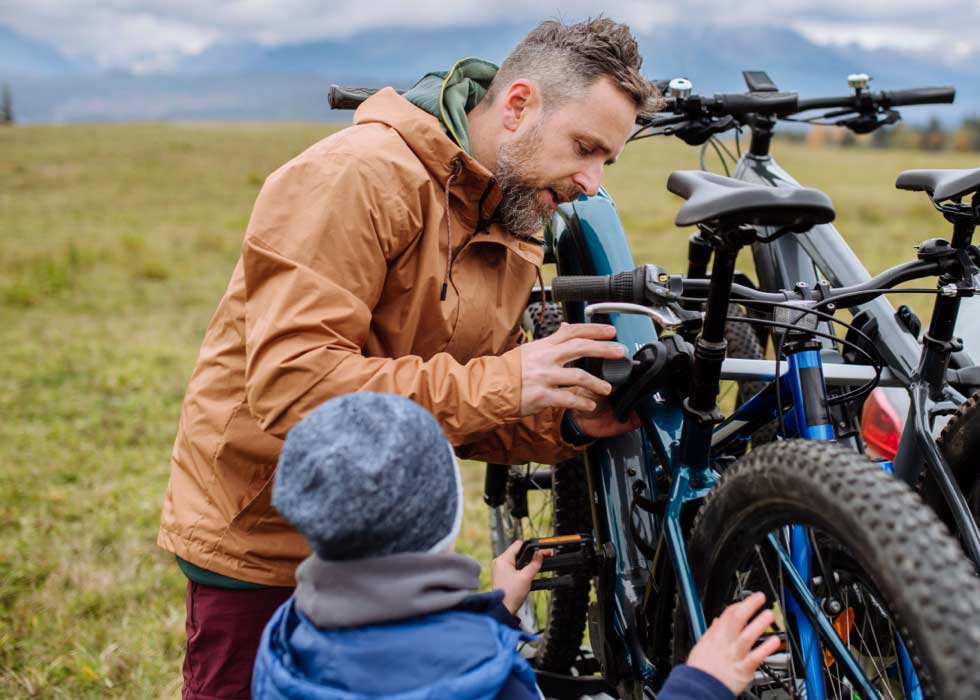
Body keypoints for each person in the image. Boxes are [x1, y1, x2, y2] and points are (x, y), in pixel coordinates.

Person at [158, 17, 664, 700]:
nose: (592, 181)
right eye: (584, 146)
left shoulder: (508, 216)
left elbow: (460, 402)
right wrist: (508, 379)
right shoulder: (355, 176)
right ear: (517, 106)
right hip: (272, 540)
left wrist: (564, 423)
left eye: (608, 160)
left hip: (396, 553)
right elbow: (291, 387)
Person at [251, 392, 782, 700]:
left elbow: (395, 655)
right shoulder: (486, 678)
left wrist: (494, 612)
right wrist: (702, 683)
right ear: (444, 515)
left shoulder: (288, 637)